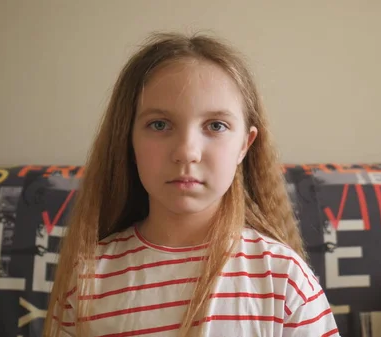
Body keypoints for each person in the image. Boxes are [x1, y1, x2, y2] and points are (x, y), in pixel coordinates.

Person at [44, 31, 340, 337]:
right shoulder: (87, 280)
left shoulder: (283, 278)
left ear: (245, 145)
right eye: (159, 125)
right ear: (128, 139)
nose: (186, 151)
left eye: (216, 126)